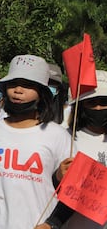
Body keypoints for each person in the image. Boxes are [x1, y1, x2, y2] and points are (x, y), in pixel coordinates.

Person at [0, 54, 74, 229]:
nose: (18, 90)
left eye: (28, 85)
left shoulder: (58, 136)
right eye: (13, 84)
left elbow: (73, 193)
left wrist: (52, 224)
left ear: (42, 93)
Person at [38, 70, 107, 229]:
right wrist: (57, 177)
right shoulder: (64, 138)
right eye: (91, 103)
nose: (97, 108)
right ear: (81, 106)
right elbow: (43, 186)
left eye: (103, 102)